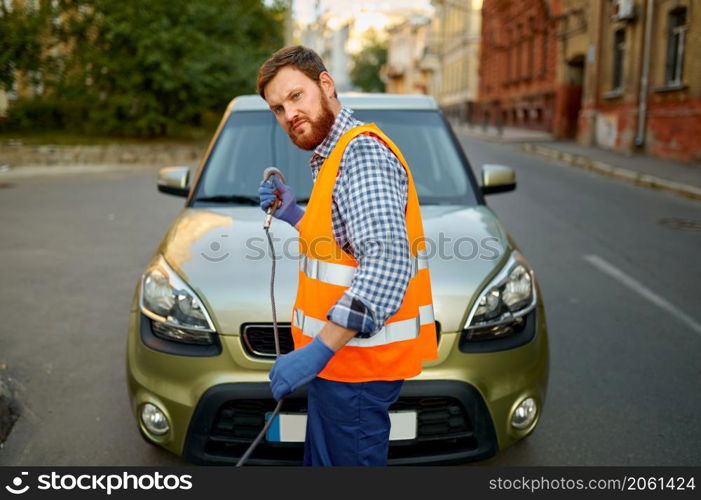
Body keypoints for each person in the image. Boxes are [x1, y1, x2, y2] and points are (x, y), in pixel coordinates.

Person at [256, 46, 437, 466]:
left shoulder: (361, 154)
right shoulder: (332, 156)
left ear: (326, 84)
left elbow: (386, 265)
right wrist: (294, 216)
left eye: (296, 97)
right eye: (278, 109)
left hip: (356, 372)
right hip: (342, 370)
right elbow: (347, 248)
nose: (289, 115)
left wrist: (319, 349)